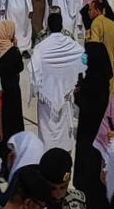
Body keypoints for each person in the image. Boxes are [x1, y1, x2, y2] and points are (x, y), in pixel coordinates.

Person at [29, 9, 85, 151]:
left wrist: (35, 88)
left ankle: (47, 153)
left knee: (47, 128)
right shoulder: (70, 42)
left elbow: (34, 68)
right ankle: (63, 151)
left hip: (45, 94)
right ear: (61, 26)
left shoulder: (41, 45)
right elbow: (82, 58)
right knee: (62, 126)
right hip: (65, 93)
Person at [74, 41, 112, 209]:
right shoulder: (100, 77)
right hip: (93, 133)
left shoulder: (95, 81)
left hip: (91, 132)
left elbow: (91, 107)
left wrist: (79, 96)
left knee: (89, 171)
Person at [0, 20, 25, 150]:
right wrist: (15, 47)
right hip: (11, 95)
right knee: (11, 124)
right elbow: (19, 67)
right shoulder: (12, 52)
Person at [86, 0, 114, 88]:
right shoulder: (112, 23)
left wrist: (87, 38)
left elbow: (94, 47)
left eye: (90, 10)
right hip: (111, 65)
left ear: (97, 10)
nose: (88, 12)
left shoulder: (95, 24)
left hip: (99, 66)